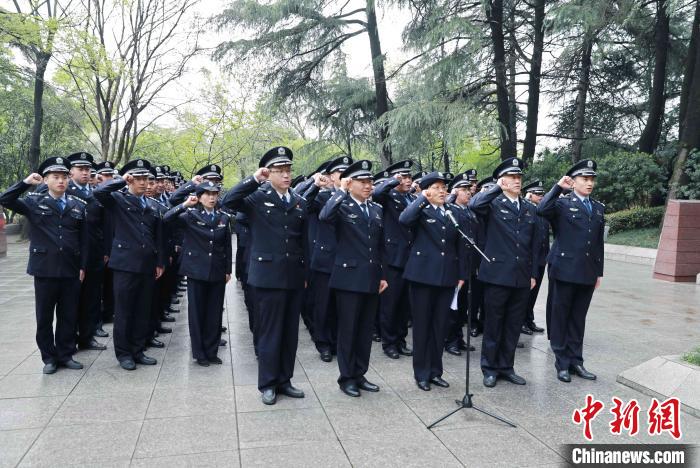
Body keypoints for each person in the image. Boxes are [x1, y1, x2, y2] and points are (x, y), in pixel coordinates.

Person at [222, 146, 324, 405]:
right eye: (280, 171)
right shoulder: (257, 198)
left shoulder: (298, 201)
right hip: (267, 276)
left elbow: (303, 241)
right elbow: (228, 201)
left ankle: (284, 380)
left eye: (288, 170)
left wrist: (305, 273)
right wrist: (255, 178)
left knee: (290, 332)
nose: (286, 175)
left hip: (293, 275)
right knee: (270, 332)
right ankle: (267, 383)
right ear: (269, 174)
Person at [0, 157, 88, 373]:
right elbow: (6, 198)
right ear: (46, 181)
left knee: (69, 315)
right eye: (55, 177)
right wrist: (25, 182)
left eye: (64, 177)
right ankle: (49, 357)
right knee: (45, 316)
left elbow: (84, 240)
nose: (61, 181)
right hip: (45, 268)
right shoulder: (34, 202)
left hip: (70, 268)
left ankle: (66, 354)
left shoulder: (78, 205)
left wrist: (82, 266)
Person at [469, 157, 539, 388]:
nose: (517, 181)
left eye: (519, 177)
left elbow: (532, 244)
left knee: (513, 324)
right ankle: (489, 368)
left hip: (521, 275)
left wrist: (532, 273)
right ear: (502, 180)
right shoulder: (493, 203)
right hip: (497, 274)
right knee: (494, 323)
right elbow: (474, 205)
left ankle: (506, 366)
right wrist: (498, 186)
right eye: (512, 177)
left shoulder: (529, 208)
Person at [319, 160, 387, 397]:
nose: (369, 186)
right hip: (348, 278)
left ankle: (360, 373)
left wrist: (383, 275)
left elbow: (380, 246)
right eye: (363, 182)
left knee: (365, 330)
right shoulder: (341, 205)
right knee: (348, 329)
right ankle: (346, 377)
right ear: (351, 183)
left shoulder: (376, 209)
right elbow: (324, 217)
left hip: (370, 277)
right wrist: (340, 191)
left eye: (370, 182)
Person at [93, 158, 165, 371]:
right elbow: (99, 193)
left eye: (146, 178)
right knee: (124, 311)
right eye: (139, 178)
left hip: (147, 264)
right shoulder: (118, 200)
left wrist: (160, 261)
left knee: (143, 310)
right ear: (130, 180)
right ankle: (124, 353)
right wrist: (120, 180)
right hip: (125, 265)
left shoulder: (152, 205)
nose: (143, 182)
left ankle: (138, 349)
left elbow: (158, 235)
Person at [399, 171, 468, 391]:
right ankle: (421, 373)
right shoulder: (420, 210)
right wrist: (421, 198)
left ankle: (435, 371)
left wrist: (461, 275)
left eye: (443, 187)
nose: (442, 191)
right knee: (422, 327)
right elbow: (404, 220)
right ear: (427, 189)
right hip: (422, 277)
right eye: (437, 187)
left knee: (440, 326)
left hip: (446, 277)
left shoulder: (451, 212)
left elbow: (460, 245)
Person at [537, 159, 604, 383]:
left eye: (592, 179)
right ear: (573, 182)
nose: (589, 183)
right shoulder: (561, 204)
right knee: (561, 316)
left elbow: (598, 243)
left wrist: (599, 272)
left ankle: (576, 361)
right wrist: (557, 188)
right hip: (564, 269)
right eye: (585, 179)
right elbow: (541, 209)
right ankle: (562, 363)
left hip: (587, 271)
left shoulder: (597, 207)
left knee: (578, 318)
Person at [164, 181, 233, 366]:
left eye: (214, 194)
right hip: (196, 270)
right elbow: (167, 218)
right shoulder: (190, 215)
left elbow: (226, 245)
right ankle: (200, 353)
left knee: (214, 313)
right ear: (200, 196)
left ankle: (212, 351)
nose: (211, 197)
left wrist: (228, 270)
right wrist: (185, 204)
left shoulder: (223, 217)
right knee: (197, 313)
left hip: (217, 271)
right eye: (207, 194)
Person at [308, 156, 353, 362]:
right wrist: (316, 184)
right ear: (331, 177)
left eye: (347, 173)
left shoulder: (356, 197)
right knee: (323, 304)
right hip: (326, 259)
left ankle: (338, 342)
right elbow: (313, 207)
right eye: (339, 173)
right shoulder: (324, 196)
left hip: (347, 259)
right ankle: (324, 343)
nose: (344, 177)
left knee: (342, 305)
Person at [371, 160, 415, 360]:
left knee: (404, 305)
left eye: (409, 176)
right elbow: (377, 193)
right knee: (391, 304)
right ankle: (389, 343)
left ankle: (401, 340)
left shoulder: (411, 199)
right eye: (403, 177)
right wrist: (391, 181)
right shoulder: (387, 196)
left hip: (409, 258)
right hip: (392, 258)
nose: (407, 180)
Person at [65, 152, 109, 352]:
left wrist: (106, 250)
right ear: (71, 171)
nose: (85, 172)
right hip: (72, 254)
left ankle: (87, 337)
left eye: (87, 169)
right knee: (70, 299)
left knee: (91, 298)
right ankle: (68, 340)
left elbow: (106, 224)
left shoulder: (96, 192)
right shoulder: (64, 189)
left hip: (95, 253)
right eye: (80, 169)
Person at [444, 171, 477, 356]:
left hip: (469, 265)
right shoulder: (451, 210)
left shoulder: (469, 211)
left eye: (468, 189)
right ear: (455, 191)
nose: (468, 192)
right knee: (453, 307)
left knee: (463, 306)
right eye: (463, 190)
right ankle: (450, 341)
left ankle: (459, 337)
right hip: (457, 266)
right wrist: (451, 197)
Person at [521, 180, 549, 335]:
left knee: (534, 292)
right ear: (529, 194)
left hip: (541, 258)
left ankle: (529, 319)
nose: (541, 196)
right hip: (530, 258)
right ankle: (521, 321)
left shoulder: (541, 210)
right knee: (525, 293)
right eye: (537, 194)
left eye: (542, 194)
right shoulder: (526, 209)